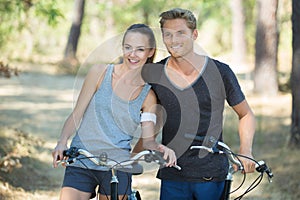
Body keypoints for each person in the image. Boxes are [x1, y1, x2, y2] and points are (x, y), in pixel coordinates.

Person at [141, 8, 256, 200]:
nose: (174, 40)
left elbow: (246, 114)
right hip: (172, 173)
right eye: (167, 35)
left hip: (211, 174)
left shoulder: (220, 72)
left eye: (180, 33)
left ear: (194, 34)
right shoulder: (155, 74)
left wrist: (245, 151)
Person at [52, 23, 177, 200]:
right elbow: (77, 113)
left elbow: (148, 140)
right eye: (128, 48)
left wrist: (161, 148)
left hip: (117, 165)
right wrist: (62, 141)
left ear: (150, 52)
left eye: (140, 49)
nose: (132, 54)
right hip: (82, 158)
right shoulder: (99, 72)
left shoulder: (147, 96)